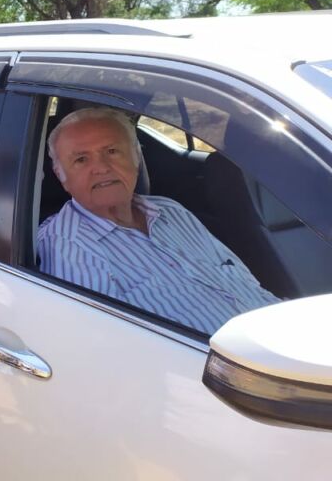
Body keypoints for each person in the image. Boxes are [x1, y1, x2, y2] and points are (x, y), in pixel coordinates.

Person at [37, 107, 280, 334]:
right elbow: (105, 343)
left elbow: (247, 284)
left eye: (112, 151)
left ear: (136, 158)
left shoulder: (171, 211)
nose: (101, 167)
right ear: (62, 176)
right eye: (81, 160)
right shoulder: (67, 243)